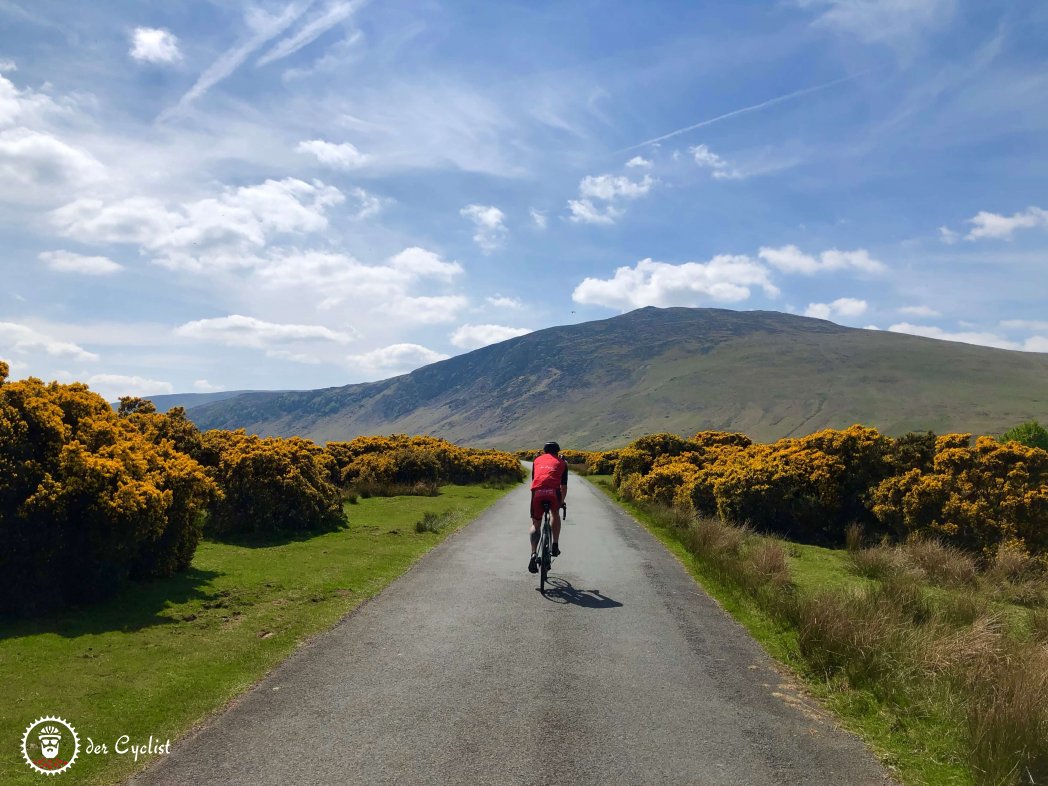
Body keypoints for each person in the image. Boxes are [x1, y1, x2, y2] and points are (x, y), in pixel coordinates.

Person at [528, 441, 568, 574]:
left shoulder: (537, 460)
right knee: (554, 514)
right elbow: (563, 487)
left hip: (537, 492)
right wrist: (561, 501)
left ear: (544, 451)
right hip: (553, 493)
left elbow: (535, 480)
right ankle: (555, 545)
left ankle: (533, 554)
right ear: (558, 452)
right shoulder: (562, 463)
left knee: (536, 522)